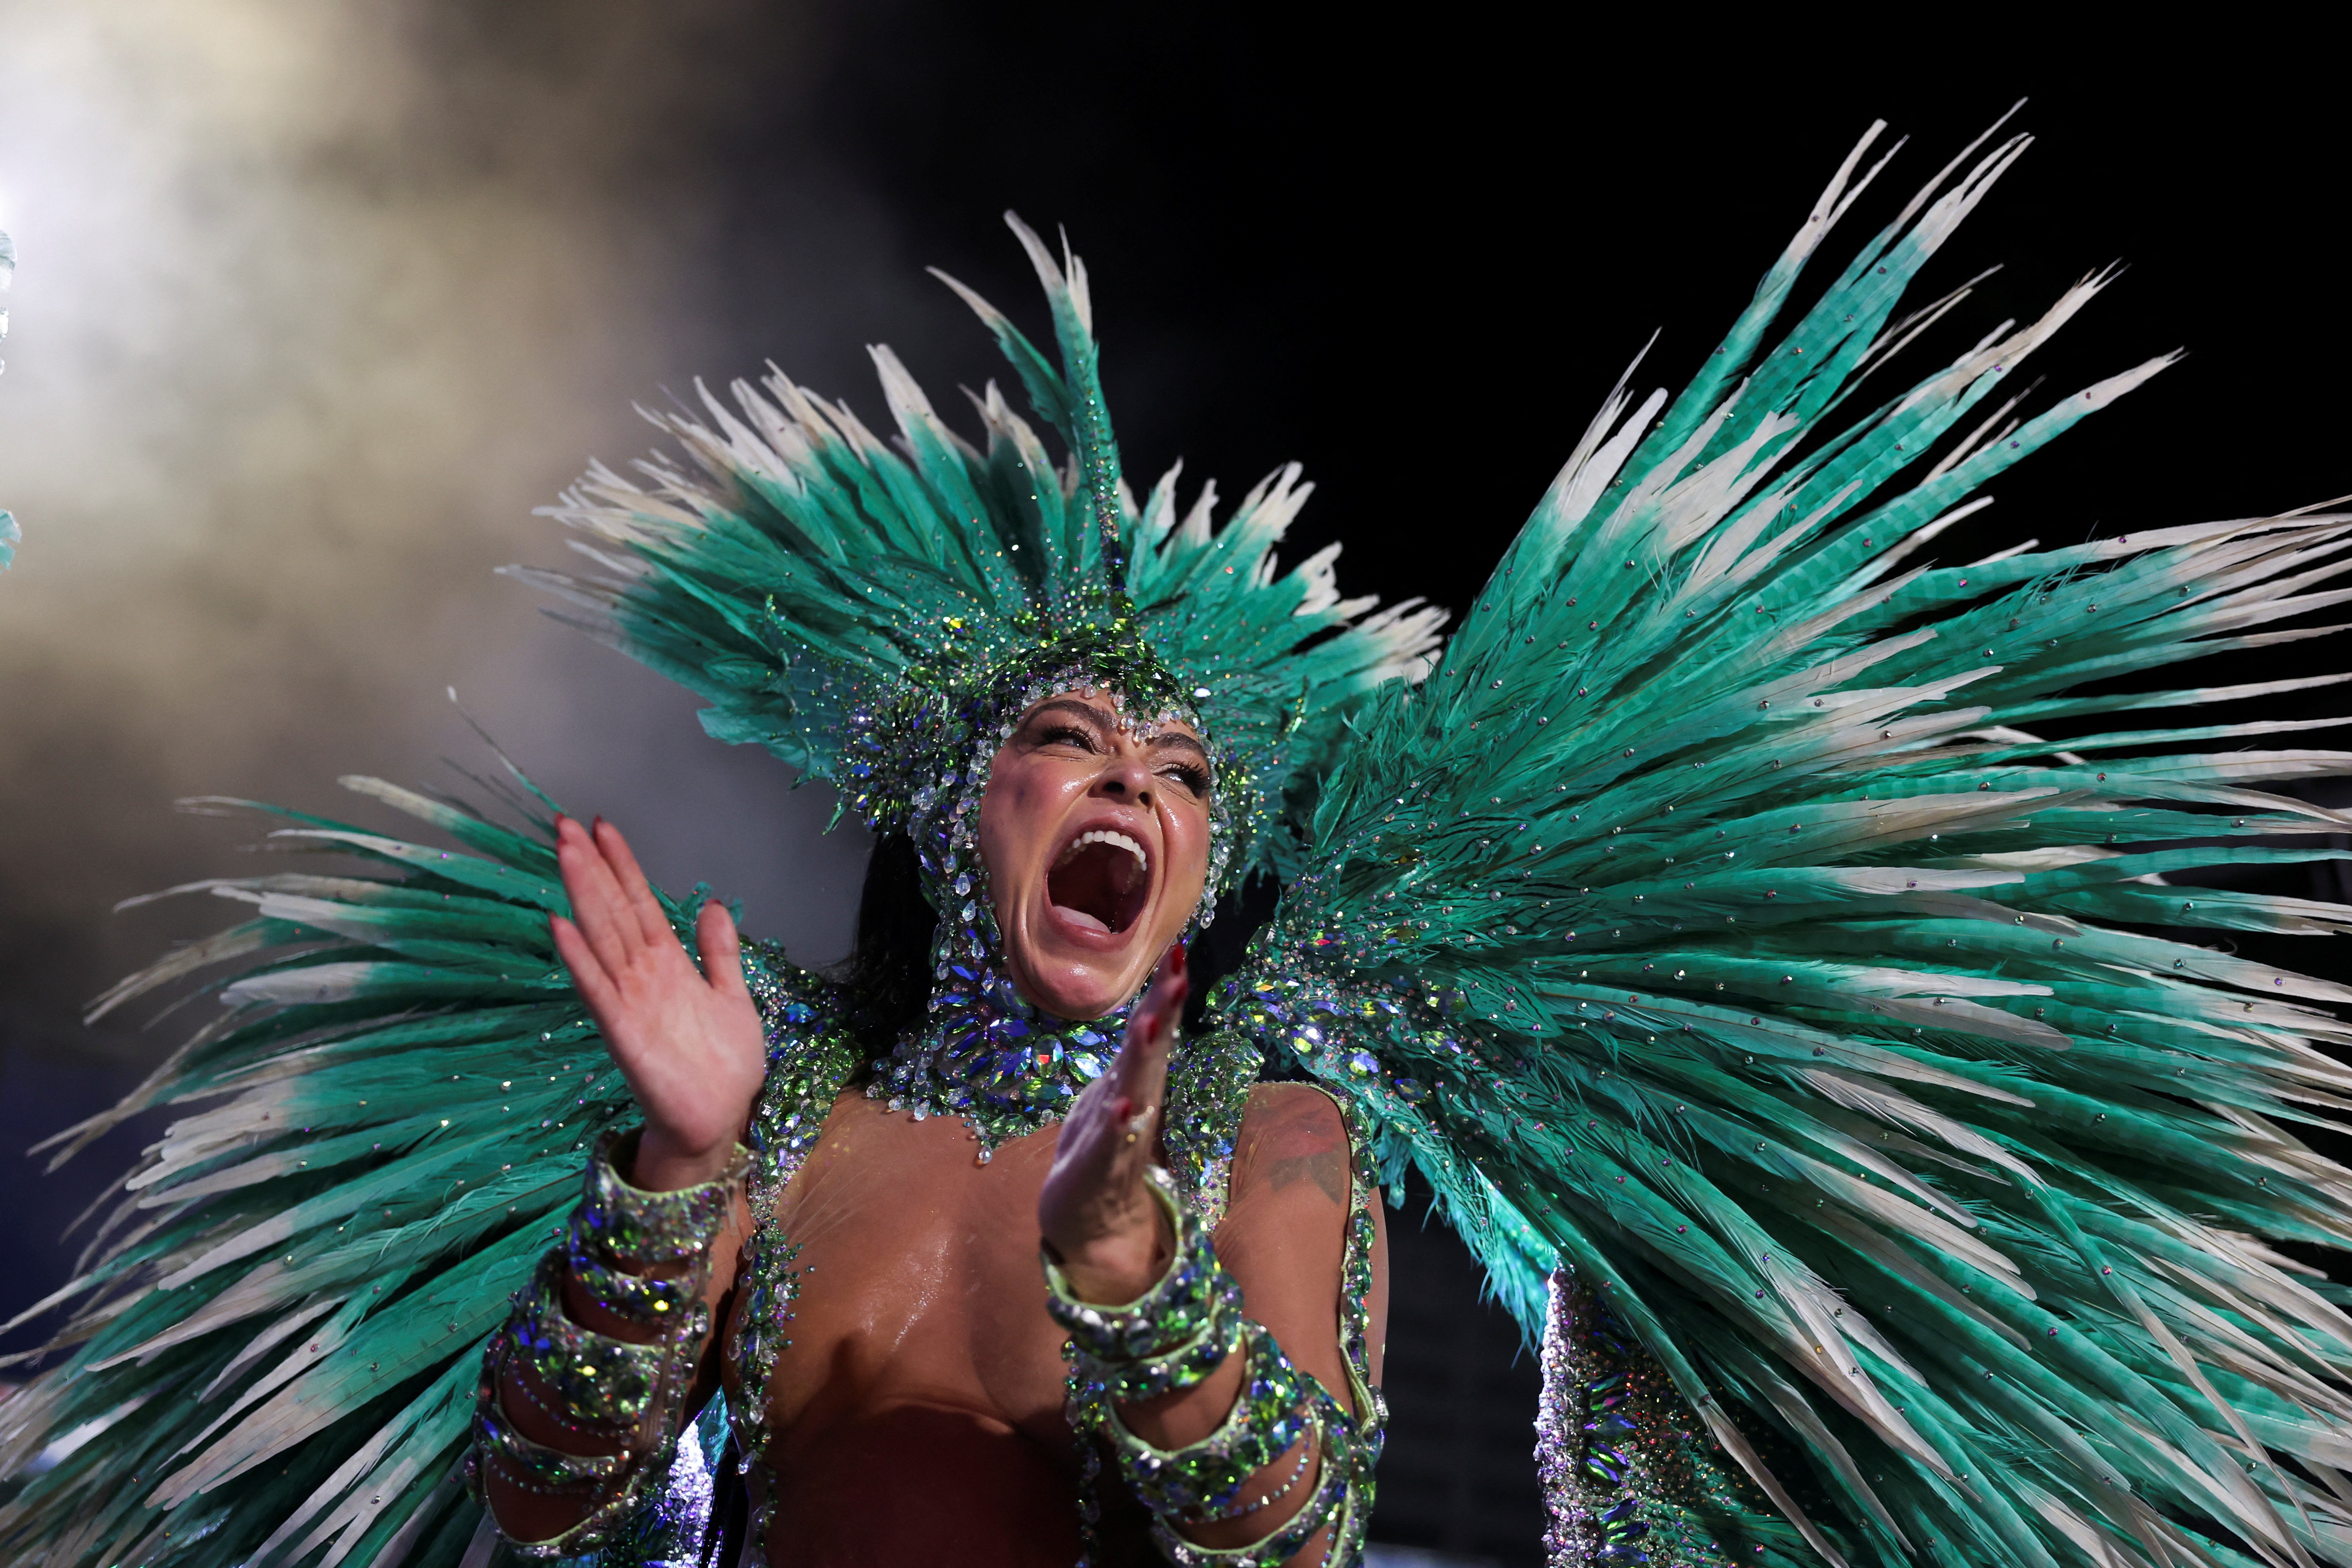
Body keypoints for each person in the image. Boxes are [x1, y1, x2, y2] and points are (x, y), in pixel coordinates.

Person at [12, 112, 2352, 1568]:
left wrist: (1133, 1260)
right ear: (964, 801)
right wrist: (664, 1173)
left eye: (1187, 770)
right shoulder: (783, 1104)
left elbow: (1287, 1537)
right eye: (1073, 734)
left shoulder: (1274, 1121)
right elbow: (545, 1501)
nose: (1133, 780)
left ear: (1212, 865)